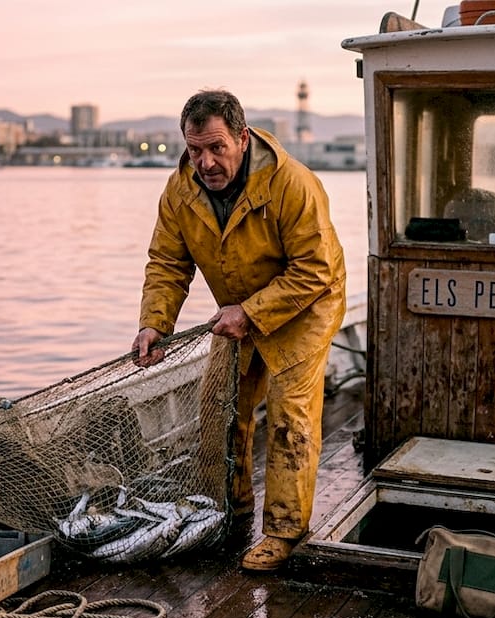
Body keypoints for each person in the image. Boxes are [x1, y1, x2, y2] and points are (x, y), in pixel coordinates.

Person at [131, 89, 347, 571]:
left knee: (291, 417)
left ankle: (284, 533)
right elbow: (167, 262)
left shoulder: (293, 184)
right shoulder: (180, 191)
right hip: (238, 310)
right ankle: (229, 514)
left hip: (306, 305)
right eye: (194, 150)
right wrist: (153, 323)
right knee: (217, 411)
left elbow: (315, 270)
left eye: (216, 147)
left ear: (243, 139)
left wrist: (249, 313)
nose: (205, 161)